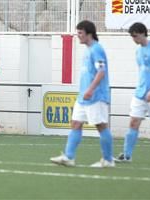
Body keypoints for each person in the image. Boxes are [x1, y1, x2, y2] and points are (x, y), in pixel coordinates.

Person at [50, 20, 115, 168]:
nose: (78, 35)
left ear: (89, 34)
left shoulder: (97, 49)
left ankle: (108, 160)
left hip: (96, 96)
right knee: (75, 124)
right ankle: (68, 157)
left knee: (101, 126)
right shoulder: (87, 50)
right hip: (83, 98)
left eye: (80, 33)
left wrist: (91, 89)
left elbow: (101, 71)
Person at [115, 22, 150, 163]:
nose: (133, 39)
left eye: (135, 36)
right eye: (132, 37)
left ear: (142, 33)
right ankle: (127, 155)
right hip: (140, 94)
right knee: (134, 122)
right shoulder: (138, 51)